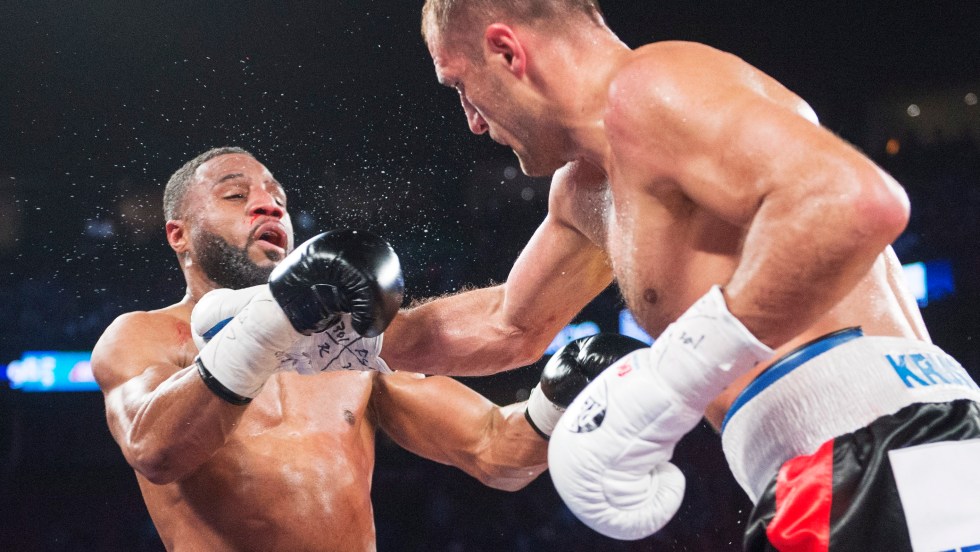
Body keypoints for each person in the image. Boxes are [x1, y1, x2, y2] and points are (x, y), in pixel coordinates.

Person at [407, 1, 980, 550]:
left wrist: (673, 380)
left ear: (507, 51)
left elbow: (854, 202)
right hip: (831, 473)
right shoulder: (586, 190)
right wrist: (361, 339)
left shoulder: (652, 88)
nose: (472, 121)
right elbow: (507, 324)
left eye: (460, 86)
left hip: (885, 452)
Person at [91, 146, 639, 551]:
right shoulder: (144, 336)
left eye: (278, 198)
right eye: (236, 195)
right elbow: (155, 448)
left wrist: (559, 401)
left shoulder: (345, 348)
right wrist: (269, 323)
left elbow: (495, 449)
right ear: (179, 235)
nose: (267, 206)